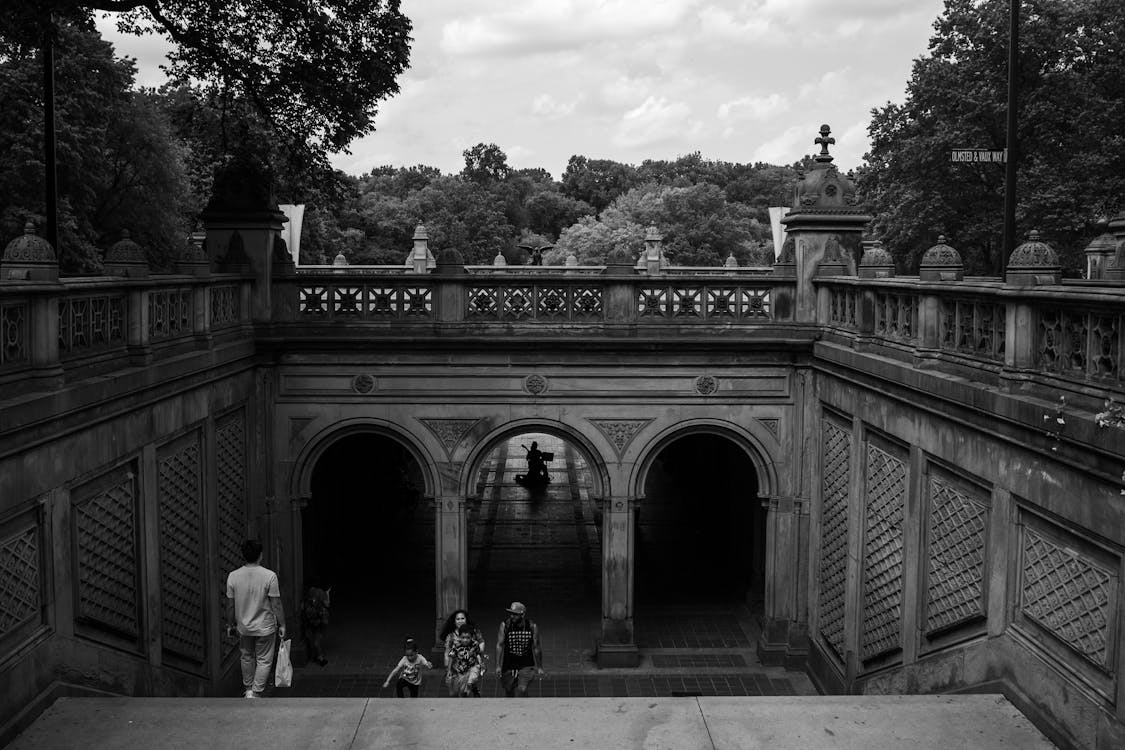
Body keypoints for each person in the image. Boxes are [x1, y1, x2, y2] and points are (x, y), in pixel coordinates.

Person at [226, 539, 286, 698]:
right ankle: (257, 692)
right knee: (264, 660)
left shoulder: (233, 576)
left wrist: (230, 624)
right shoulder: (269, 576)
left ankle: (248, 690)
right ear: (260, 555)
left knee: (246, 657)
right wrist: (282, 624)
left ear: (243, 555)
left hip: (243, 627)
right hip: (265, 626)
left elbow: (230, 605)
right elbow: (276, 603)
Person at [495, 601, 543, 697]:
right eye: (511, 613)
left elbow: (536, 647)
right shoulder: (505, 625)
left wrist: (540, 667)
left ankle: (524, 709)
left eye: (515, 614)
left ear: (522, 614)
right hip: (508, 664)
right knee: (509, 690)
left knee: (522, 689)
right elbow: (499, 645)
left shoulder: (531, 626)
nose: (512, 616)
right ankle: (511, 710)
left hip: (526, 664)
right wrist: (498, 665)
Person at [440, 609, 485, 697]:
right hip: (456, 667)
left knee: (464, 691)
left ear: (466, 619)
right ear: (454, 621)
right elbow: (447, 652)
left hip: (470, 665)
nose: (460, 621)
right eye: (458, 619)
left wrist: (477, 652)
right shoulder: (451, 636)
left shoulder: (474, 631)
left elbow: (481, 642)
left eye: (462, 618)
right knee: (453, 693)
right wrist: (447, 668)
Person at [299, 585, 331, 666]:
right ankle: (320, 657)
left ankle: (313, 656)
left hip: (309, 619)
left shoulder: (306, 592)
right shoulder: (321, 592)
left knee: (310, 637)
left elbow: (302, 606)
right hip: (318, 619)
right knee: (317, 639)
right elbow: (327, 604)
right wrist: (327, 594)